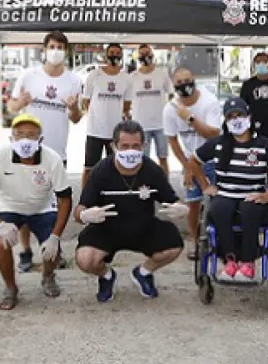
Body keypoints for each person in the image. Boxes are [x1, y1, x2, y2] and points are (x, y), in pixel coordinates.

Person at [74, 120, 187, 302]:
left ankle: (143, 272)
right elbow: (80, 209)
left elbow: (171, 199)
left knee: (174, 245)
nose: (130, 151)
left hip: (143, 227)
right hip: (107, 228)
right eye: (124, 146)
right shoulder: (101, 171)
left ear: (144, 145)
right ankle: (107, 276)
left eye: (135, 146)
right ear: (114, 146)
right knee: (85, 259)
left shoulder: (153, 170)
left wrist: (180, 208)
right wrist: (84, 215)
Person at [0, 114, 72, 309]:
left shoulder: (52, 159)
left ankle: (48, 276)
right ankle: (10, 288)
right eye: (20, 135)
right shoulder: (0, 156)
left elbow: (65, 199)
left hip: (42, 208)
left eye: (31, 135)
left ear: (40, 139)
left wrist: (56, 236)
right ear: (11, 138)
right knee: (1, 243)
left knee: (53, 249)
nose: (25, 140)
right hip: (11, 208)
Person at [8, 31, 82, 271]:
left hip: (57, 152)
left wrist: (72, 109)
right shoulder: (29, 76)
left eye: (60, 46)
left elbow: (77, 117)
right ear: (44, 49)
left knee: (54, 205)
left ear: (66, 51)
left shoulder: (73, 80)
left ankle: (53, 250)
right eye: (52, 46)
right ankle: (26, 251)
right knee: (27, 202)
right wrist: (20, 103)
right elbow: (11, 106)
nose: (56, 50)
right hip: (27, 150)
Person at [191, 98, 268, 281]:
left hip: (253, 194)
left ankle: (248, 263)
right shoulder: (218, 143)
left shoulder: (265, 145)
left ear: (249, 116)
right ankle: (230, 261)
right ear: (225, 121)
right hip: (225, 193)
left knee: (249, 209)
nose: (236, 120)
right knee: (219, 209)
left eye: (240, 115)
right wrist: (205, 185)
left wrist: (267, 196)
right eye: (230, 116)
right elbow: (194, 161)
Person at [163, 67, 223, 260]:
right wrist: (187, 166)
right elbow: (172, 140)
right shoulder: (170, 109)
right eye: (179, 83)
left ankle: (221, 241)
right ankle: (195, 242)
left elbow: (213, 134)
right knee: (192, 203)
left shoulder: (209, 101)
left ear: (194, 79)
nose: (184, 86)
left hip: (214, 159)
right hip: (190, 161)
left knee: (219, 203)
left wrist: (189, 118)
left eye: (187, 80)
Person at [82, 43, 133, 189]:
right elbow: (86, 101)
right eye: (112, 52)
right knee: (89, 168)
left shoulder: (127, 79)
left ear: (122, 56)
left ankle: (115, 198)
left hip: (116, 133)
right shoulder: (94, 75)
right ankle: (86, 199)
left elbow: (126, 106)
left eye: (118, 53)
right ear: (105, 55)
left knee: (117, 168)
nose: (114, 55)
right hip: (95, 131)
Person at [130, 44, 174, 175]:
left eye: (147, 54)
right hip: (141, 125)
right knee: (142, 160)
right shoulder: (132, 77)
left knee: (163, 158)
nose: (145, 57)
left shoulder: (162, 74)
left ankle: (165, 187)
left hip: (161, 124)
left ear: (152, 55)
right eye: (142, 54)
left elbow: (171, 94)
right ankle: (144, 188)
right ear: (138, 57)